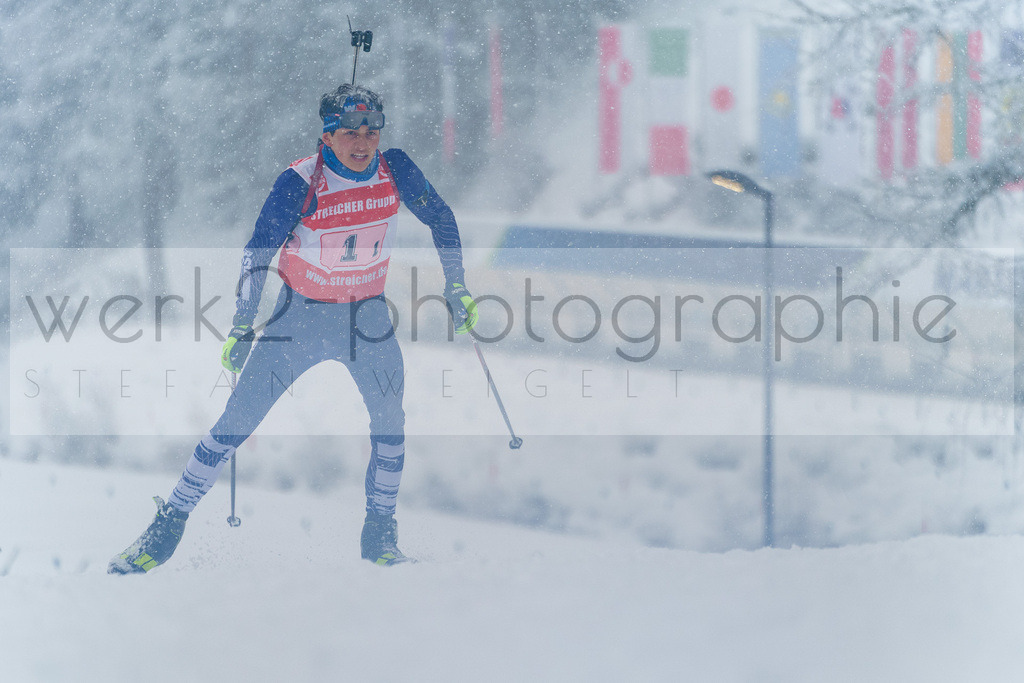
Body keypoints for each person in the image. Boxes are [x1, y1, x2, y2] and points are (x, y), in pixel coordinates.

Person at [108, 83, 478, 572]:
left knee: (391, 427)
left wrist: (458, 286)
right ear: (327, 136)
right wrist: (242, 323)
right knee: (235, 425)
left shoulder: (397, 169)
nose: (363, 140)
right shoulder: (301, 181)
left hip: (365, 319)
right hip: (300, 318)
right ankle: (164, 530)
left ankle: (380, 540)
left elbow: (443, 219)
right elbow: (258, 252)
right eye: (349, 131)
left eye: (371, 129)